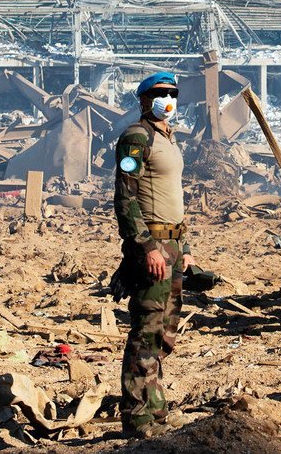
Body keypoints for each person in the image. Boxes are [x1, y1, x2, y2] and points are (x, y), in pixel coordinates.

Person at [113, 71, 197, 438]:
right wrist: (146, 246)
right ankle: (138, 416)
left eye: (173, 94)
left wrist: (186, 248)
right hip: (154, 247)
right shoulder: (136, 137)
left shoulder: (170, 140)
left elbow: (173, 198)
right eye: (161, 94)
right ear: (145, 100)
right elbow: (125, 196)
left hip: (174, 246)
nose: (169, 100)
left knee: (165, 334)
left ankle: (156, 409)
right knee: (146, 332)